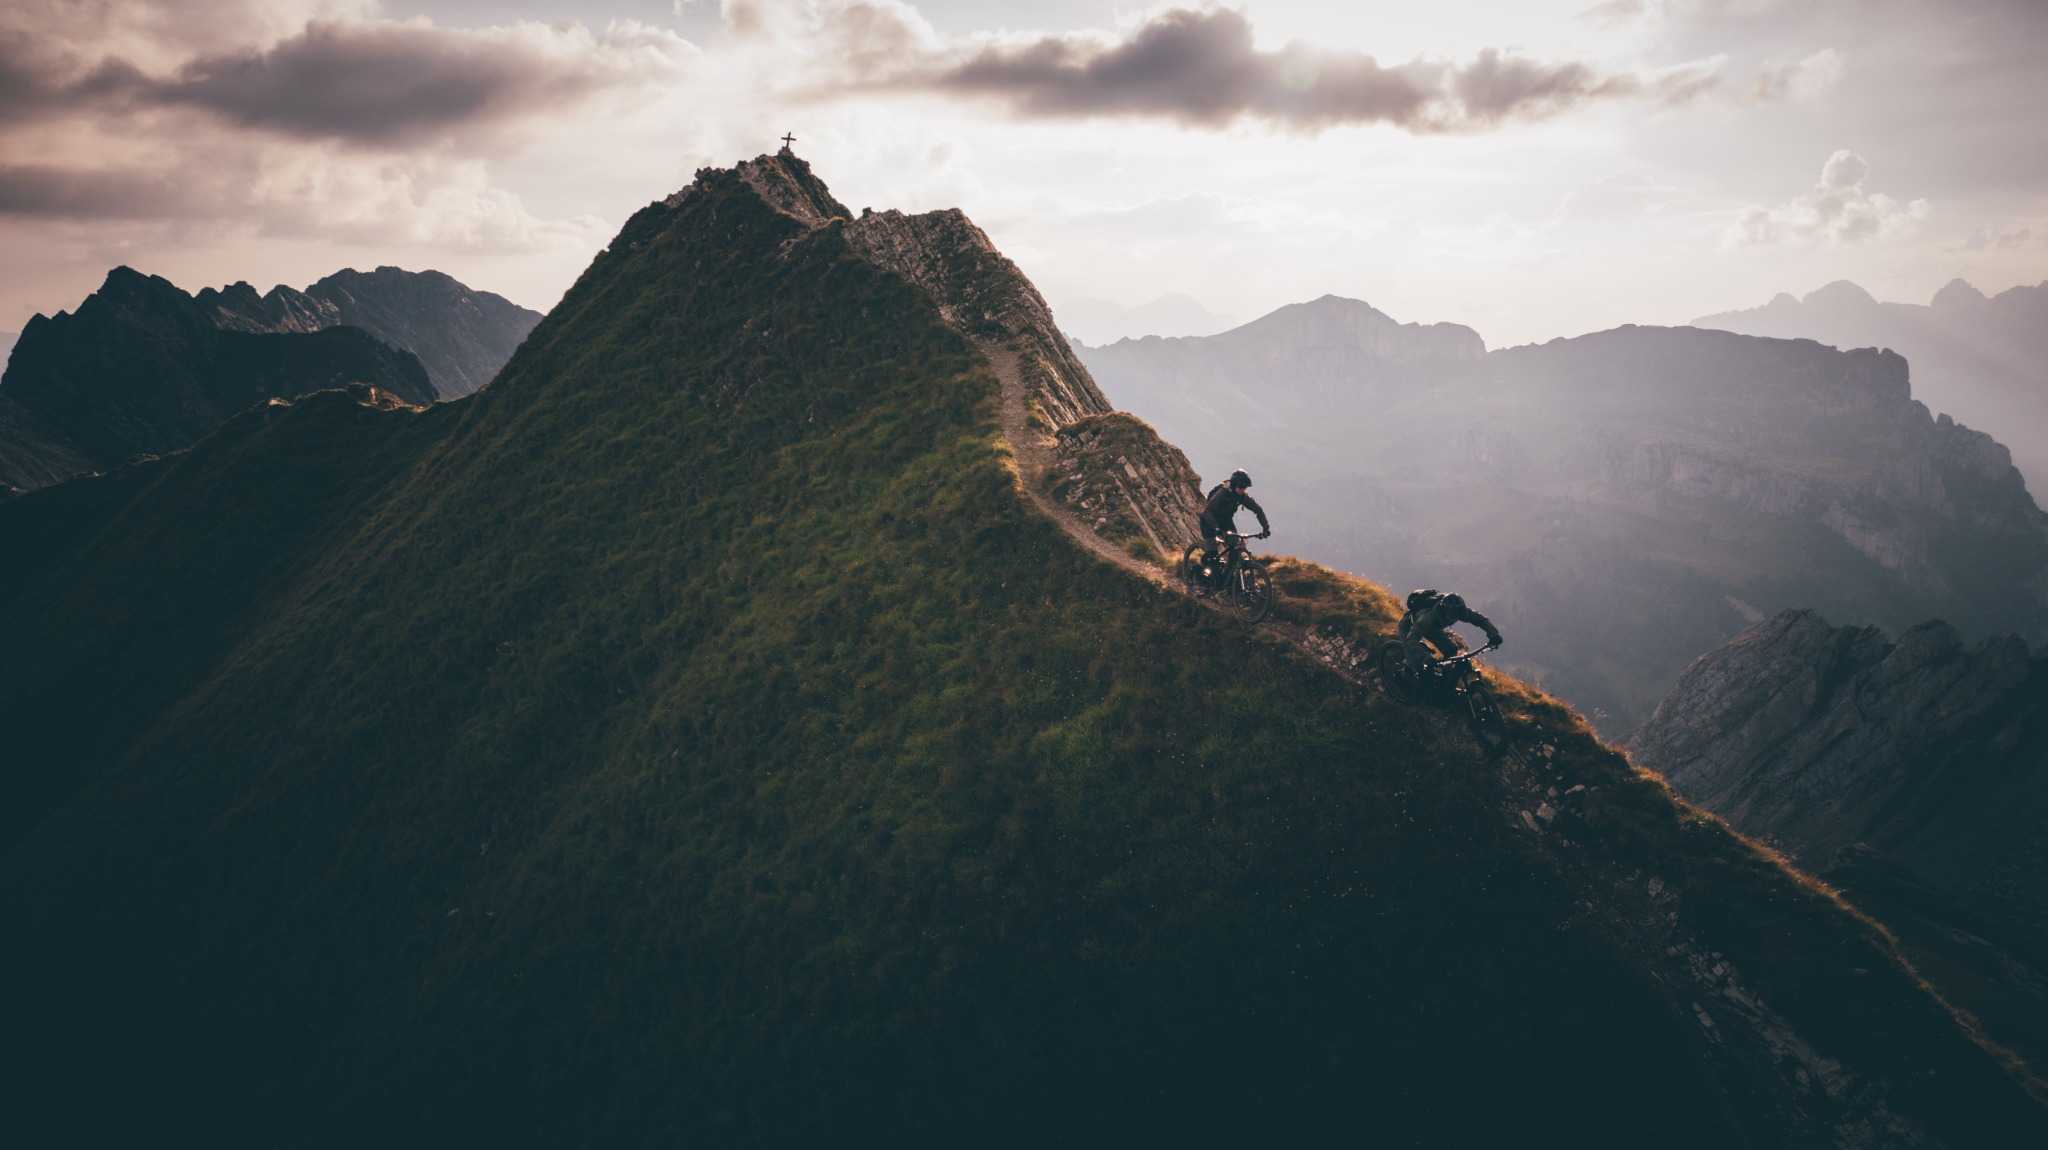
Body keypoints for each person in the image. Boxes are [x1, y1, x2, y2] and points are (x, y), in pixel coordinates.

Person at [1399, 590, 1502, 674]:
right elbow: (1411, 641)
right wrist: (1425, 658)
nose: (1454, 617)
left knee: (1451, 651)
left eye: (1457, 614)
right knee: (1416, 664)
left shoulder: (1459, 611)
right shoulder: (1427, 619)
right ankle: (1406, 682)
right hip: (1409, 625)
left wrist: (1493, 634)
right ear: (1444, 610)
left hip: (1433, 628)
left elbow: (1480, 619)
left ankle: (1444, 680)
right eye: (1452, 614)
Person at [1198, 468, 1270, 573]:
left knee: (1235, 550)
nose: (1243, 490)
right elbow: (1207, 513)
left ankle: (1230, 580)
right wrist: (1216, 529)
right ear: (1234, 485)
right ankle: (1204, 578)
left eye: (1245, 488)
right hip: (1209, 522)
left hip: (1226, 522)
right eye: (1241, 487)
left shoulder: (1241, 497)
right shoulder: (1222, 494)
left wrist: (1265, 528)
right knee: (1212, 557)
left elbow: (1258, 510)